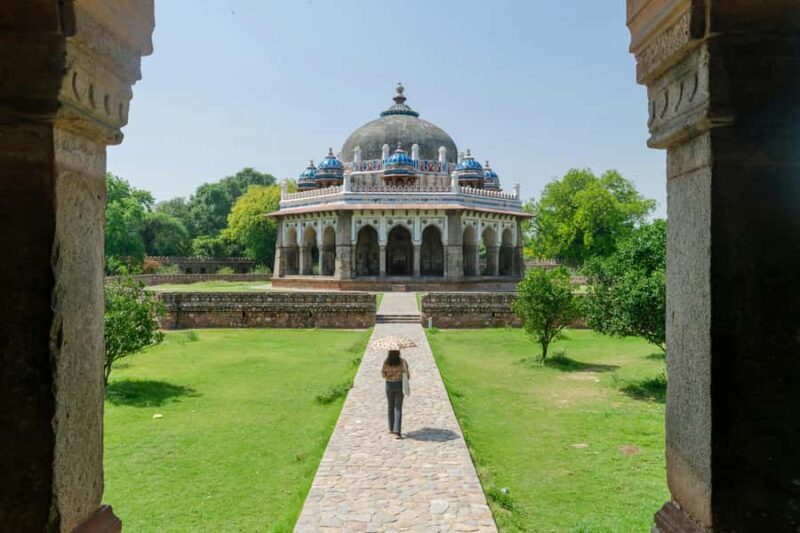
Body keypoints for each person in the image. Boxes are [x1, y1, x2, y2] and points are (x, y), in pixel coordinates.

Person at [381, 349, 410, 439]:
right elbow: (408, 375)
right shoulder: (403, 362)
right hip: (399, 385)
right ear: (398, 353)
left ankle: (391, 428)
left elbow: (383, 375)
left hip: (389, 385)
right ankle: (397, 431)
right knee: (398, 408)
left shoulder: (386, 362)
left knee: (390, 406)